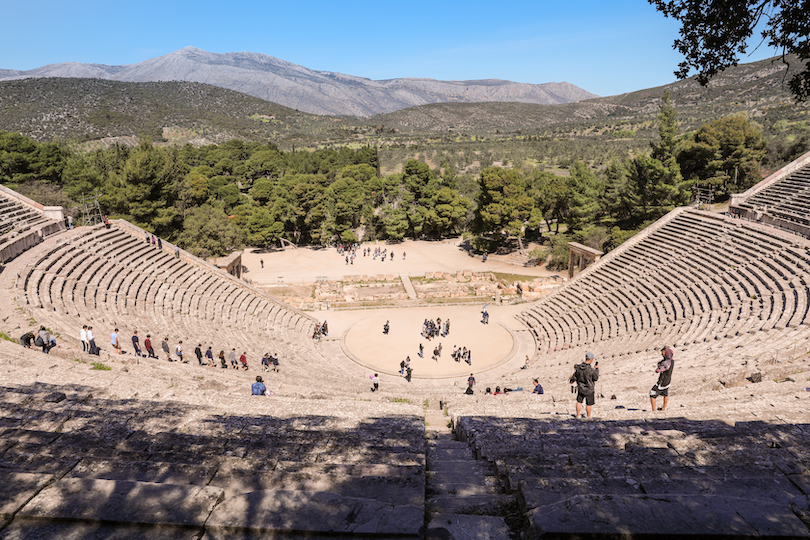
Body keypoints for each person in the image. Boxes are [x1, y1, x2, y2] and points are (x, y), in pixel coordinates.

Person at [570, 352, 599, 419]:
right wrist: (597, 369)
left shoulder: (578, 367)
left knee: (579, 401)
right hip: (589, 388)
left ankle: (578, 415)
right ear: (591, 359)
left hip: (580, 387)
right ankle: (588, 416)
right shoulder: (591, 369)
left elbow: (575, 376)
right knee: (589, 403)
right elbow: (595, 378)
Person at [650, 346, 675, 411]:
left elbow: (659, 370)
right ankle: (663, 408)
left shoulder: (667, 363)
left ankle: (654, 410)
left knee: (652, 394)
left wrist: (659, 369)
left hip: (662, 381)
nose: (662, 355)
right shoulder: (672, 361)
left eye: (663, 353)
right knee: (665, 393)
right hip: (668, 381)